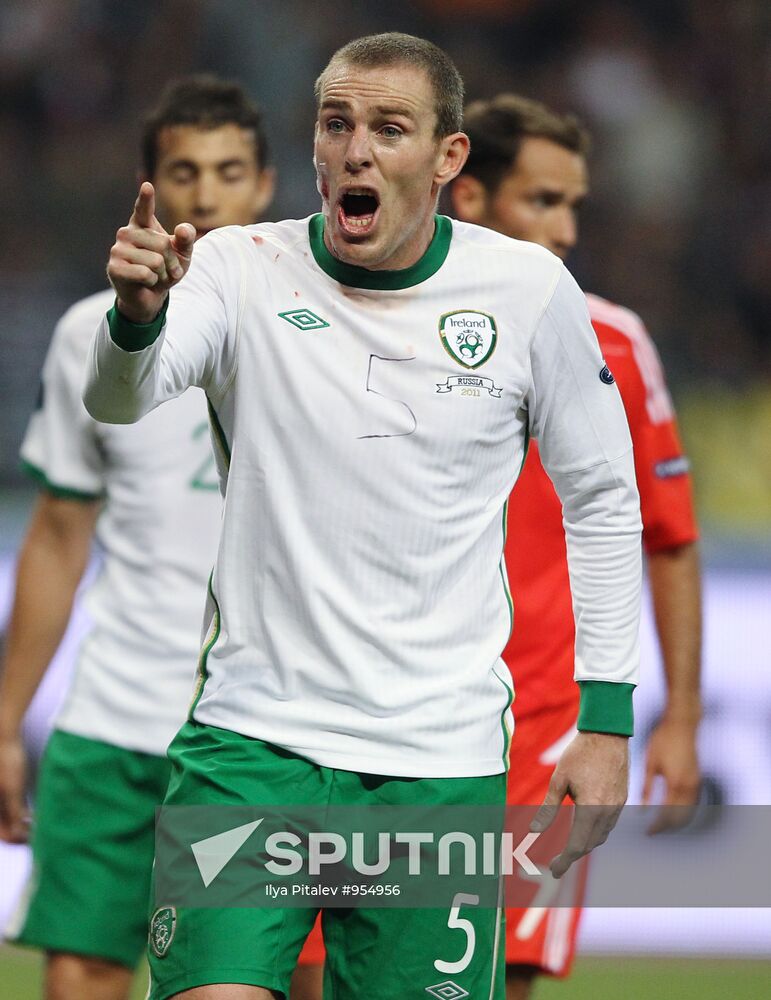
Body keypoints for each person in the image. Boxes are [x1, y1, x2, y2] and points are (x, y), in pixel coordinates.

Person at [85, 33, 643, 1000]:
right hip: (251, 746)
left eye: (388, 129)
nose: (355, 151)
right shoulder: (237, 267)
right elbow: (124, 397)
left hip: (438, 763)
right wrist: (135, 314)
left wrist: (605, 721)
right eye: (336, 124)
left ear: (446, 158)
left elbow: (602, 498)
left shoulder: (524, 291)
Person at [0, 76, 274, 1000]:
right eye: (183, 171)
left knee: (258, 980)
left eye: (229, 171)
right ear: (147, 185)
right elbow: (57, 539)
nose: (205, 195)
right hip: (112, 724)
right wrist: (4, 724)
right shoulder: (91, 333)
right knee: (81, 972)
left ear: (267, 185)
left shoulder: (320, 332)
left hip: (261, 733)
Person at [449, 94, 702, 999]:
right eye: (541, 201)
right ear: (469, 196)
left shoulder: (615, 344)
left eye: (574, 206)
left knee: (498, 977)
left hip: (546, 726)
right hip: (396, 711)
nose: (564, 228)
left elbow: (668, 539)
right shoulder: (374, 323)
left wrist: (676, 717)